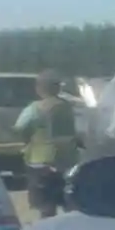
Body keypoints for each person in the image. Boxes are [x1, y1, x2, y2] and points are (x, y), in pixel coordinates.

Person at [13, 71, 79, 219]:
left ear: (39, 88)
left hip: (40, 161)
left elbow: (20, 128)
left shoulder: (34, 108)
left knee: (45, 206)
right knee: (69, 203)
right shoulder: (67, 107)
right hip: (67, 160)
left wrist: (26, 140)